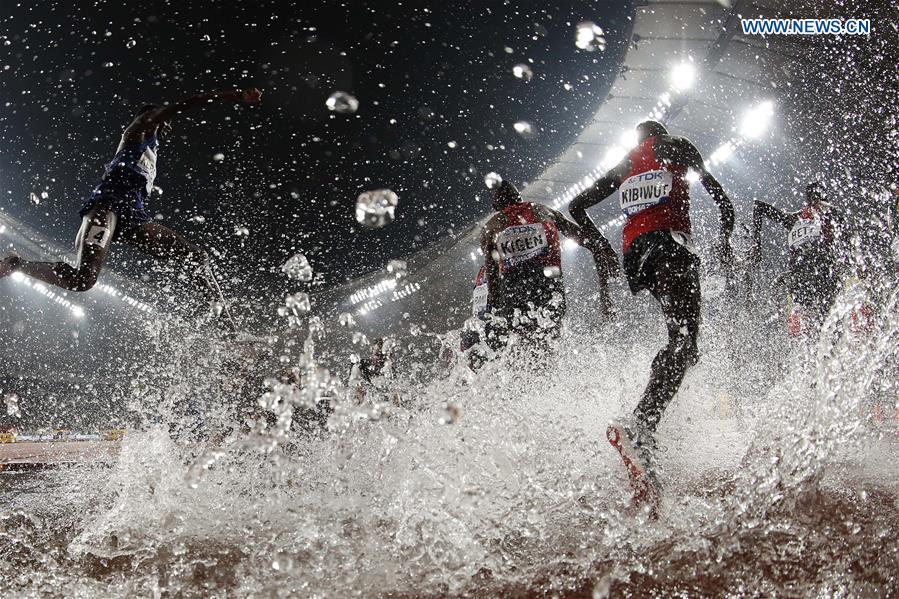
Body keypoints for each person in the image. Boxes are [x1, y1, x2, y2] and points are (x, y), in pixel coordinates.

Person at [569, 120, 734, 508]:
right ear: (659, 134)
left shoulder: (627, 163)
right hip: (671, 247)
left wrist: (602, 248)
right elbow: (721, 198)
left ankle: (645, 424)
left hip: (636, 256)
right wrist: (726, 239)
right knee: (685, 343)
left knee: (678, 339)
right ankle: (642, 422)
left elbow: (576, 207)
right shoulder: (676, 145)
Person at [0, 88, 263, 330]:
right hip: (106, 210)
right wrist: (234, 96)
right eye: (162, 120)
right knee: (82, 280)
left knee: (196, 258)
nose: (165, 126)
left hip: (134, 218)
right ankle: (15, 264)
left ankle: (230, 332)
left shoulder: (152, 151)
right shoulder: (136, 131)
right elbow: (185, 104)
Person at [480, 180, 616, 355]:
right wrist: (605, 291)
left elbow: (491, 272)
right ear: (518, 197)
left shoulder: (491, 227)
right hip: (548, 286)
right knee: (549, 340)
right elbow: (589, 242)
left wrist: (495, 304)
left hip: (514, 291)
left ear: (495, 205)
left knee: (523, 347)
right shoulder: (543, 211)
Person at [747, 182, 847, 337]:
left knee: (806, 325)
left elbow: (758, 206)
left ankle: (809, 347)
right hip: (821, 272)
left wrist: (756, 246)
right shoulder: (831, 213)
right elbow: (845, 242)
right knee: (825, 321)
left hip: (801, 277)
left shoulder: (794, 219)